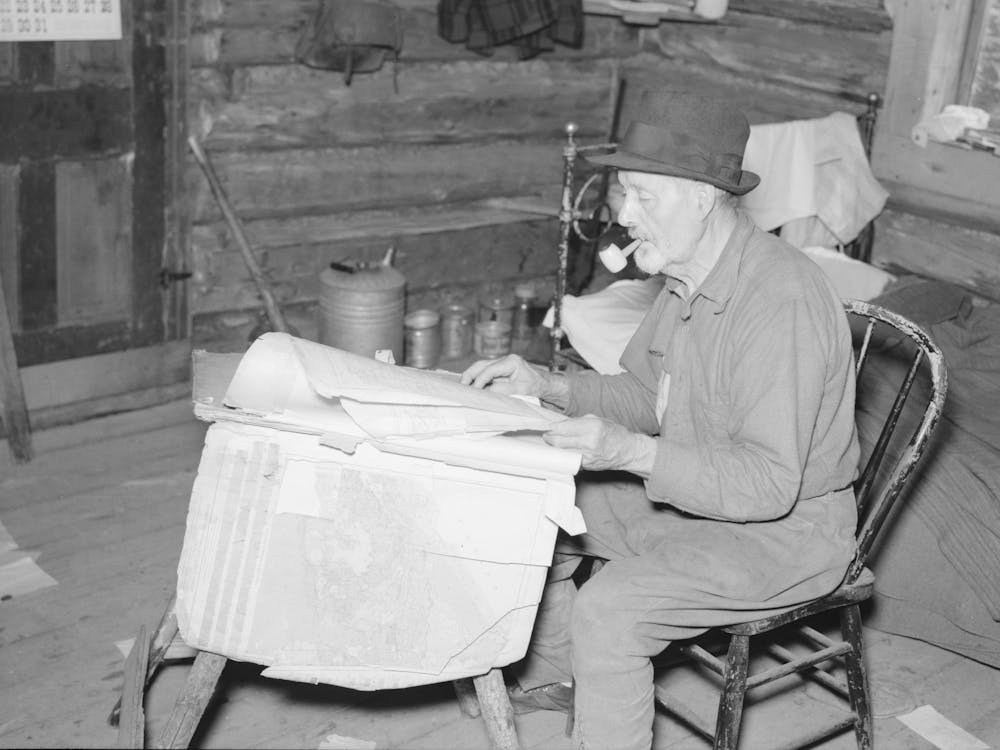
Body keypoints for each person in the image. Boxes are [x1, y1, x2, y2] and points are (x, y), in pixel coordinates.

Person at [460, 90, 860, 750]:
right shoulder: (685, 276)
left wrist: (632, 454)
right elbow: (647, 397)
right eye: (624, 195)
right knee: (542, 500)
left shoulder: (779, 300)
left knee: (611, 610)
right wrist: (547, 383)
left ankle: (598, 679)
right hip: (706, 500)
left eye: (645, 196)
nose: (624, 217)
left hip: (790, 531)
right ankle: (558, 674)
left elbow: (766, 486)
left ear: (703, 196)